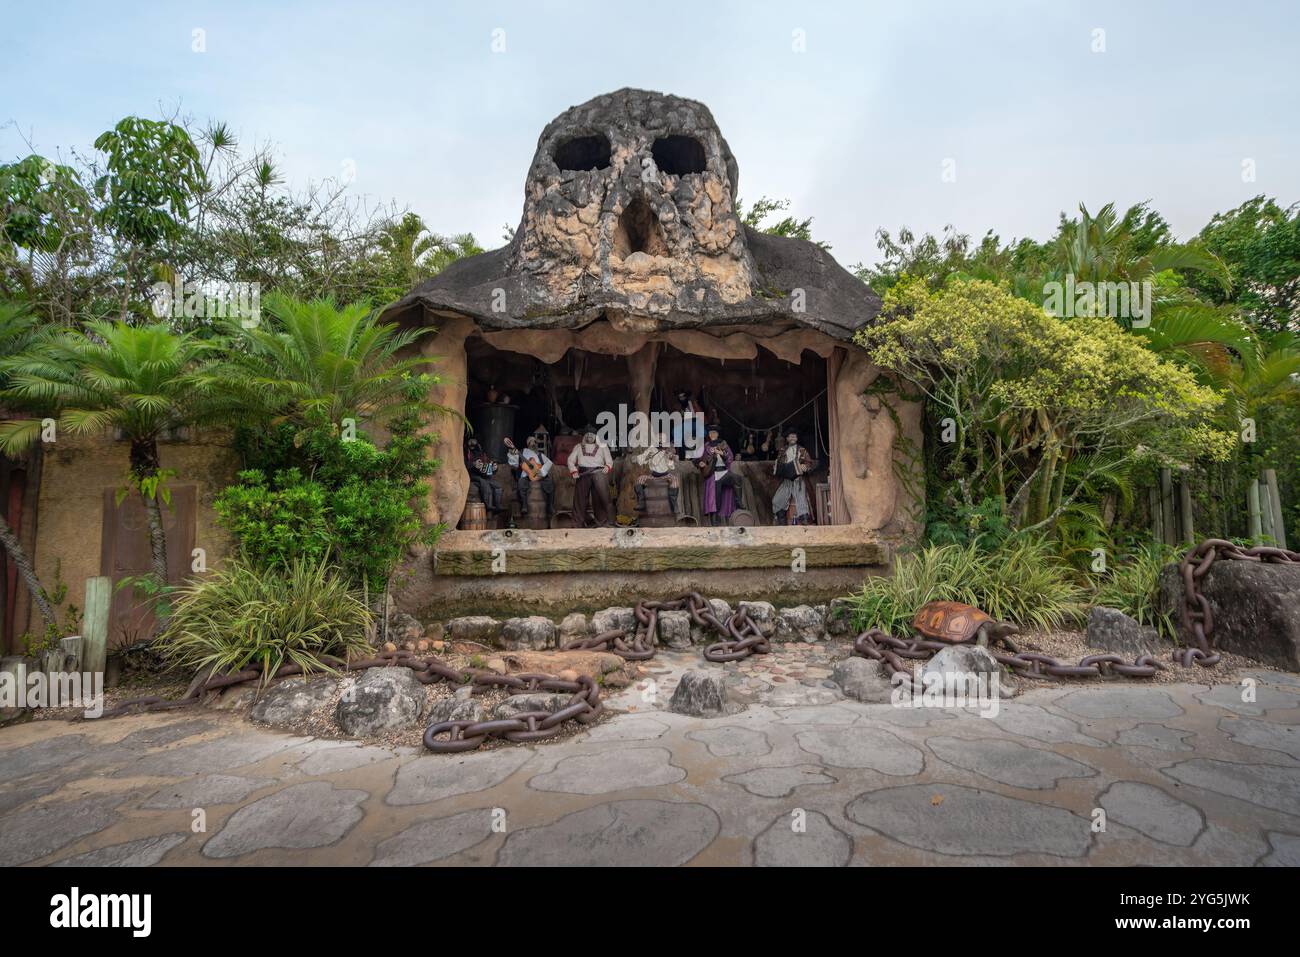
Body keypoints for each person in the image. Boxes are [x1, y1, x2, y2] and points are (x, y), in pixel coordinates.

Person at [567, 430, 614, 527]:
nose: (589, 436)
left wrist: (607, 466)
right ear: (584, 436)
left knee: (600, 498)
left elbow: (609, 460)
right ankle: (577, 524)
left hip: (599, 473)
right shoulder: (578, 446)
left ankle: (602, 523)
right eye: (587, 434)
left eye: (591, 434)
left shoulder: (603, 446)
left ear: (596, 436)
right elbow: (570, 460)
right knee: (579, 499)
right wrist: (574, 470)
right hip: (583, 473)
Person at [699, 423, 741, 525]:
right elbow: (701, 459)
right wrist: (702, 463)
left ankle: (738, 505)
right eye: (710, 433)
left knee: (735, 481)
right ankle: (714, 521)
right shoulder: (706, 446)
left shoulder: (723, 444)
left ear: (717, 434)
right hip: (712, 474)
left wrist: (723, 454)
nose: (712, 435)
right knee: (714, 498)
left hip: (724, 471)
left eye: (714, 433)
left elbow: (730, 458)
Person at [772, 430, 816, 525]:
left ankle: (804, 521)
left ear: (797, 438)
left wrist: (805, 467)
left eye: (794, 436)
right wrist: (777, 466)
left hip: (798, 480)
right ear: (787, 439)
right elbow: (779, 463)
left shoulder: (802, 450)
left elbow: (809, 462)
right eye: (790, 437)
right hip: (786, 481)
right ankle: (782, 521)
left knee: (801, 499)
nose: (792, 438)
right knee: (777, 499)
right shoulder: (783, 450)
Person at [505, 436, 554, 518]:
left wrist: (542, 471)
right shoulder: (522, 452)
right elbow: (514, 464)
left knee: (550, 483)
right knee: (521, 482)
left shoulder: (540, 455)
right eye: (531, 442)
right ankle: (524, 505)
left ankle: (550, 506)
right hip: (527, 475)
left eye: (535, 442)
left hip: (540, 474)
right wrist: (511, 453)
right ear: (528, 444)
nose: (533, 444)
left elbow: (549, 463)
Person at [635, 431, 680, 515]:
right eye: (658, 438)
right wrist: (646, 457)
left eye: (661, 439)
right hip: (653, 475)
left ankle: (674, 505)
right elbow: (641, 460)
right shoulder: (651, 449)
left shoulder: (667, 450)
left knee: (675, 482)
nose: (659, 440)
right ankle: (641, 503)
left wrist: (670, 459)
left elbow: (671, 467)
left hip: (665, 475)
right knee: (639, 480)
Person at [465, 437, 502, 513]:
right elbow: (463, 464)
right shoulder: (465, 452)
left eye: (474, 442)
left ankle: (497, 507)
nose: (472, 444)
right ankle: (488, 506)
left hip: (484, 475)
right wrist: (473, 464)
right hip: (471, 475)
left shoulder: (482, 453)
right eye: (470, 442)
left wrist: (494, 468)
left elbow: (489, 465)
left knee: (498, 486)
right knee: (484, 483)